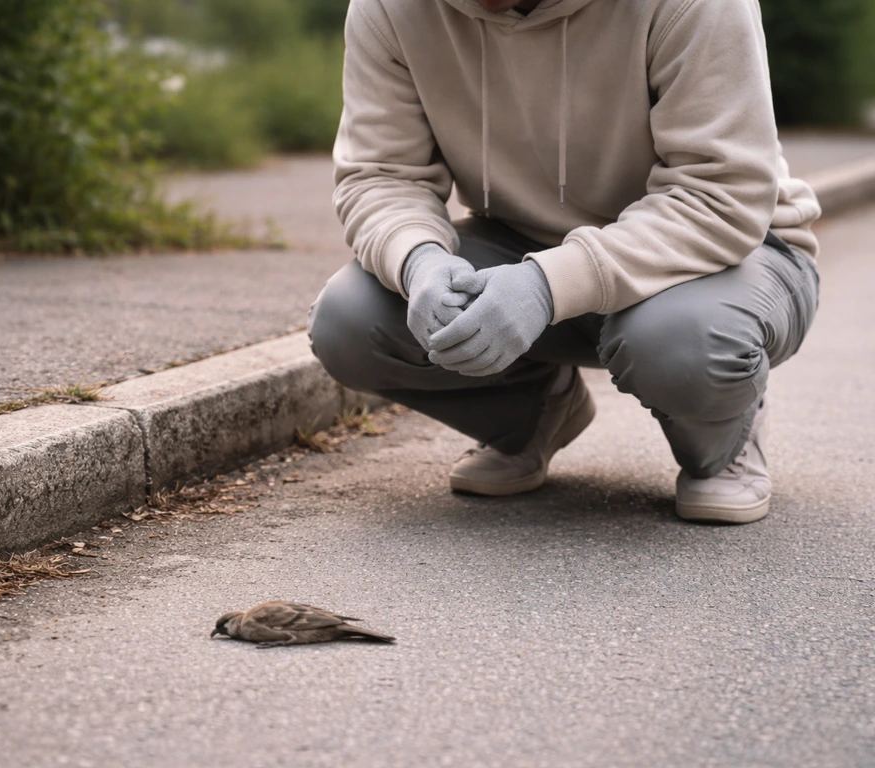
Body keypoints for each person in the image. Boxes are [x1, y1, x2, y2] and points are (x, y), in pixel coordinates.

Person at [308, 0, 821, 524]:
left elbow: (721, 194)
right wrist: (418, 259)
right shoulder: (391, 9)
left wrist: (546, 285)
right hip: (519, 245)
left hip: (719, 255)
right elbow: (381, 174)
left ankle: (725, 441)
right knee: (351, 321)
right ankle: (534, 409)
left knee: (682, 345)